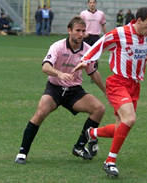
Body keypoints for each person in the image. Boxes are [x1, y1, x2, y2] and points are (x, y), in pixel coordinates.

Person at [73, 7, 147, 177]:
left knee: (122, 126)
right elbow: (101, 44)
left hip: (134, 86)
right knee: (130, 119)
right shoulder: (120, 33)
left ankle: (91, 133)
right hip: (117, 82)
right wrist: (85, 60)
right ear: (139, 20)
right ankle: (110, 161)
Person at [15, 16, 106, 164]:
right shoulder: (57, 46)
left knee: (99, 109)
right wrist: (59, 74)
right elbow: (45, 67)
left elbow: (93, 72)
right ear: (69, 30)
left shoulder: (89, 50)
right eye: (78, 30)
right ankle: (22, 153)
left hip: (74, 91)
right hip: (55, 89)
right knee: (40, 113)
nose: (81, 34)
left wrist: (106, 91)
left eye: (83, 31)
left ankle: (80, 146)